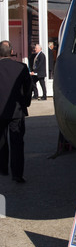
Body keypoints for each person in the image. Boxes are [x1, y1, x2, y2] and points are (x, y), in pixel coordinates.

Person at [0, 40, 32, 183]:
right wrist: (25, 103)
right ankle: (17, 174)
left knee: (1, 141)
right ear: (11, 51)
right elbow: (28, 88)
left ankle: (3, 168)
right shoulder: (21, 67)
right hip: (16, 111)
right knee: (17, 143)